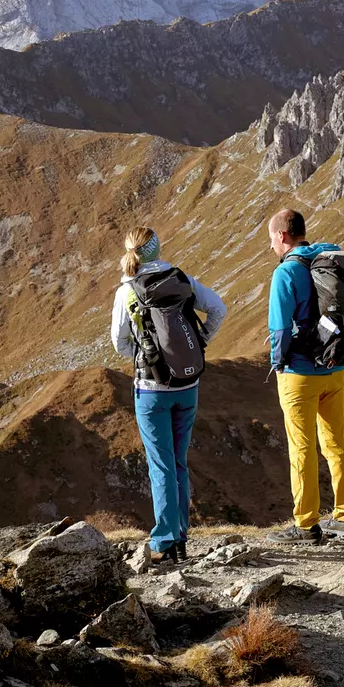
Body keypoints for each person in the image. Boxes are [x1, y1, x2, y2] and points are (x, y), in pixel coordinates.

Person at [110, 227, 227, 564]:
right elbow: (218, 309)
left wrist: (145, 356)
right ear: (157, 248)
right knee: (178, 462)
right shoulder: (180, 278)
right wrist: (200, 342)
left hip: (151, 390)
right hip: (188, 385)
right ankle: (181, 539)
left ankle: (165, 541)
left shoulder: (127, 291)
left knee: (160, 465)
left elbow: (119, 342)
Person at [262, 209, 344, 544]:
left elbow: (278, 328)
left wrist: (278, 363)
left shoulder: (286, 272)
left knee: (301, 448)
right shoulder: (328, 259)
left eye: (272, 239)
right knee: (337, 443)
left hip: (299, 374)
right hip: (335, 367)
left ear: (282, 236)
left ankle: (306, 524)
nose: (272, 246)